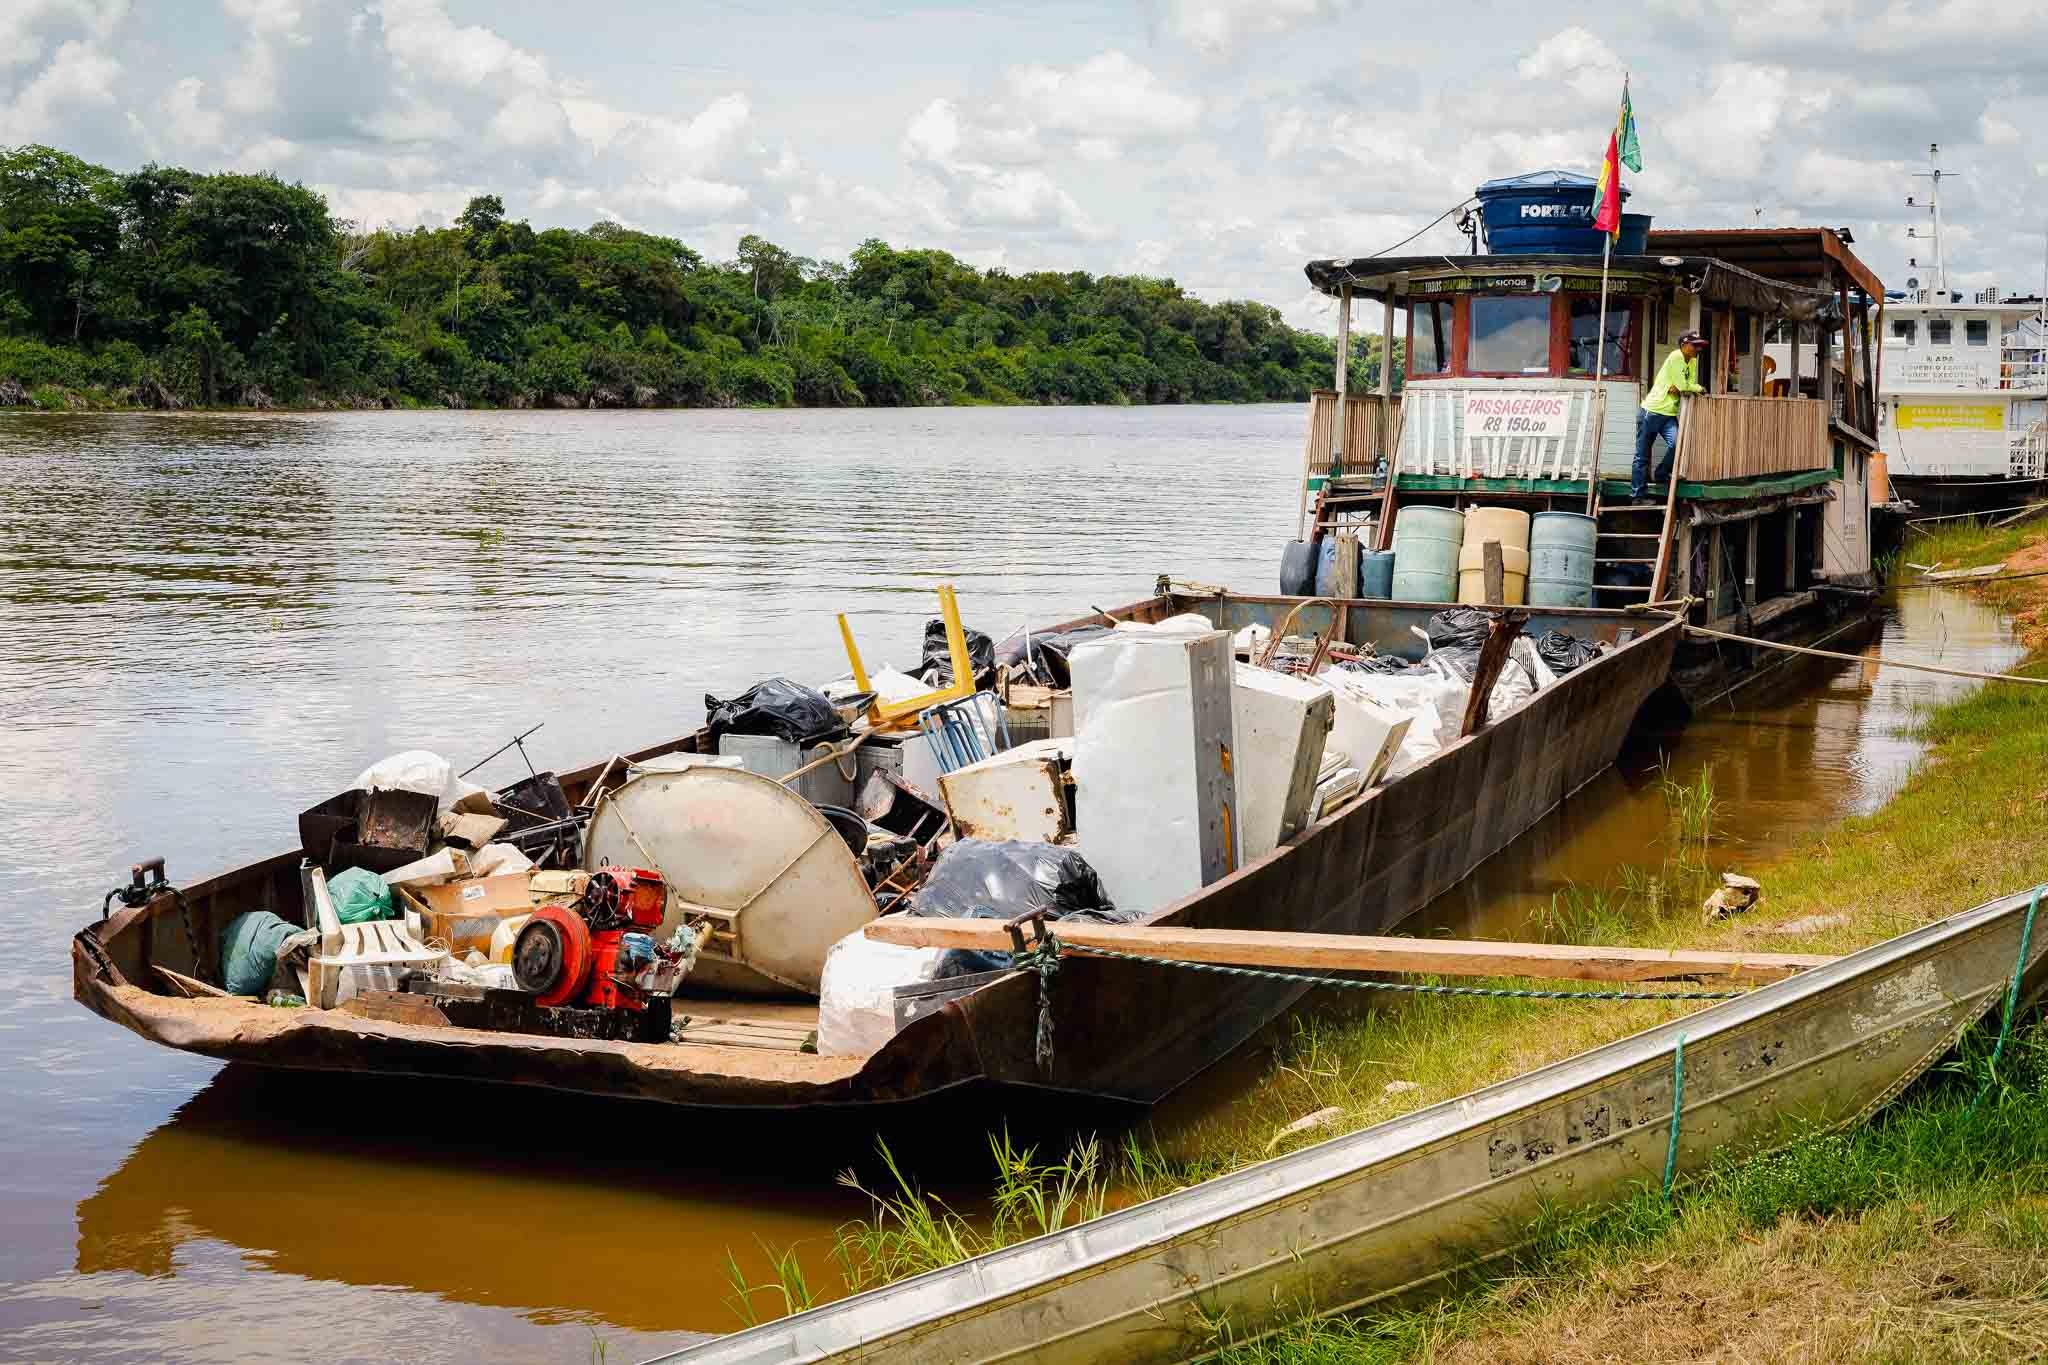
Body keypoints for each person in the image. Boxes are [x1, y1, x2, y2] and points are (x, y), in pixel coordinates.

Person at [1632, 330, 1707, 500]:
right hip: (1651, 412)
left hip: (1669, 414)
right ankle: (1638, 496)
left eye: (1699, 346)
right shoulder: (1676, 357)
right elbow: (1685, 385)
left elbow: (1687, 384)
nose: (1698, 349)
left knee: (1677, 444)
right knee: (1641, 456)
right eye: (1694, 346)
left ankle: (1661, 473)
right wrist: (1693, 388)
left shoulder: (1692, 361)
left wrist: (1685, 387)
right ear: (1683, 345)